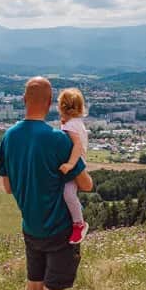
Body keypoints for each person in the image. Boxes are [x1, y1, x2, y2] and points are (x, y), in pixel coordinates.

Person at [0, 76, 94, 290]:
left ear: (24, 99)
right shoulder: (57, 140)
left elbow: (8, 186)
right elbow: (84, 184)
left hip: (30, 227)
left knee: (33, 288)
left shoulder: (9, 138)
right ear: (51, 102)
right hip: (59, 230)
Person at [57, 87, 89, 244]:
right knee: (69, 194)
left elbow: (76, 145)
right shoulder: (77, 123)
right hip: (79, 162)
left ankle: (79, 224)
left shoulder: (71, 126)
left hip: (75, 164)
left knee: (68, 194)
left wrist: (70, 164)